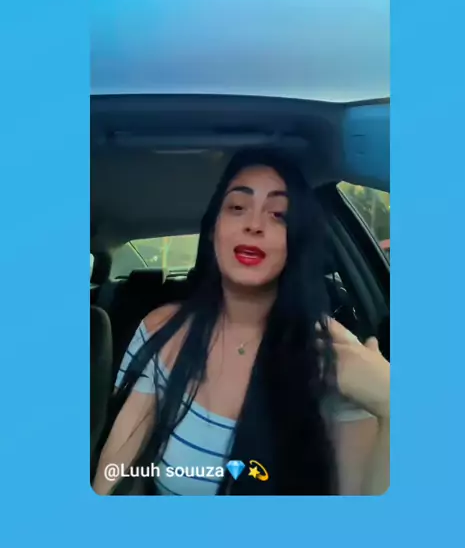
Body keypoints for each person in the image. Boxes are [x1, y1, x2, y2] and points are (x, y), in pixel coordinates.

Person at [93, 148, 390, 496]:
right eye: (237, 207)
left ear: (296, 242)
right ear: (213, 230)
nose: (254, 224)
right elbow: (115, 476)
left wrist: (391, 402)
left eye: (278, 214)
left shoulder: (333, 356)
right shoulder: (162, 329)